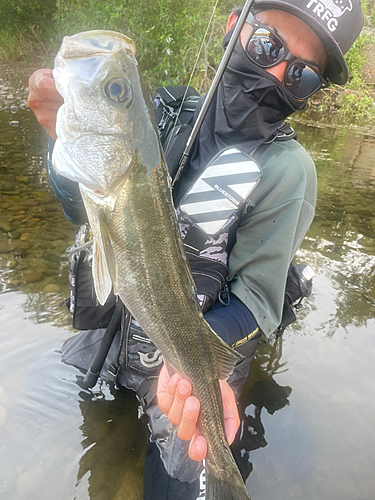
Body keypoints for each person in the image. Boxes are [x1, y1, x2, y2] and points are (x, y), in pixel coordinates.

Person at [28, 0, 364, 498]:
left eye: (302, 74)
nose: (274, 74)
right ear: (233, 26)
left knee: (191, 478)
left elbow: (258, 296)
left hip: (190, 359)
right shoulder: (163, 112)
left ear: (310, 94)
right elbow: (85, 212)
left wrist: (197, 369)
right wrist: (63, 145)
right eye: (267, 45)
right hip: (117, 335)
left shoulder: (287, 171)